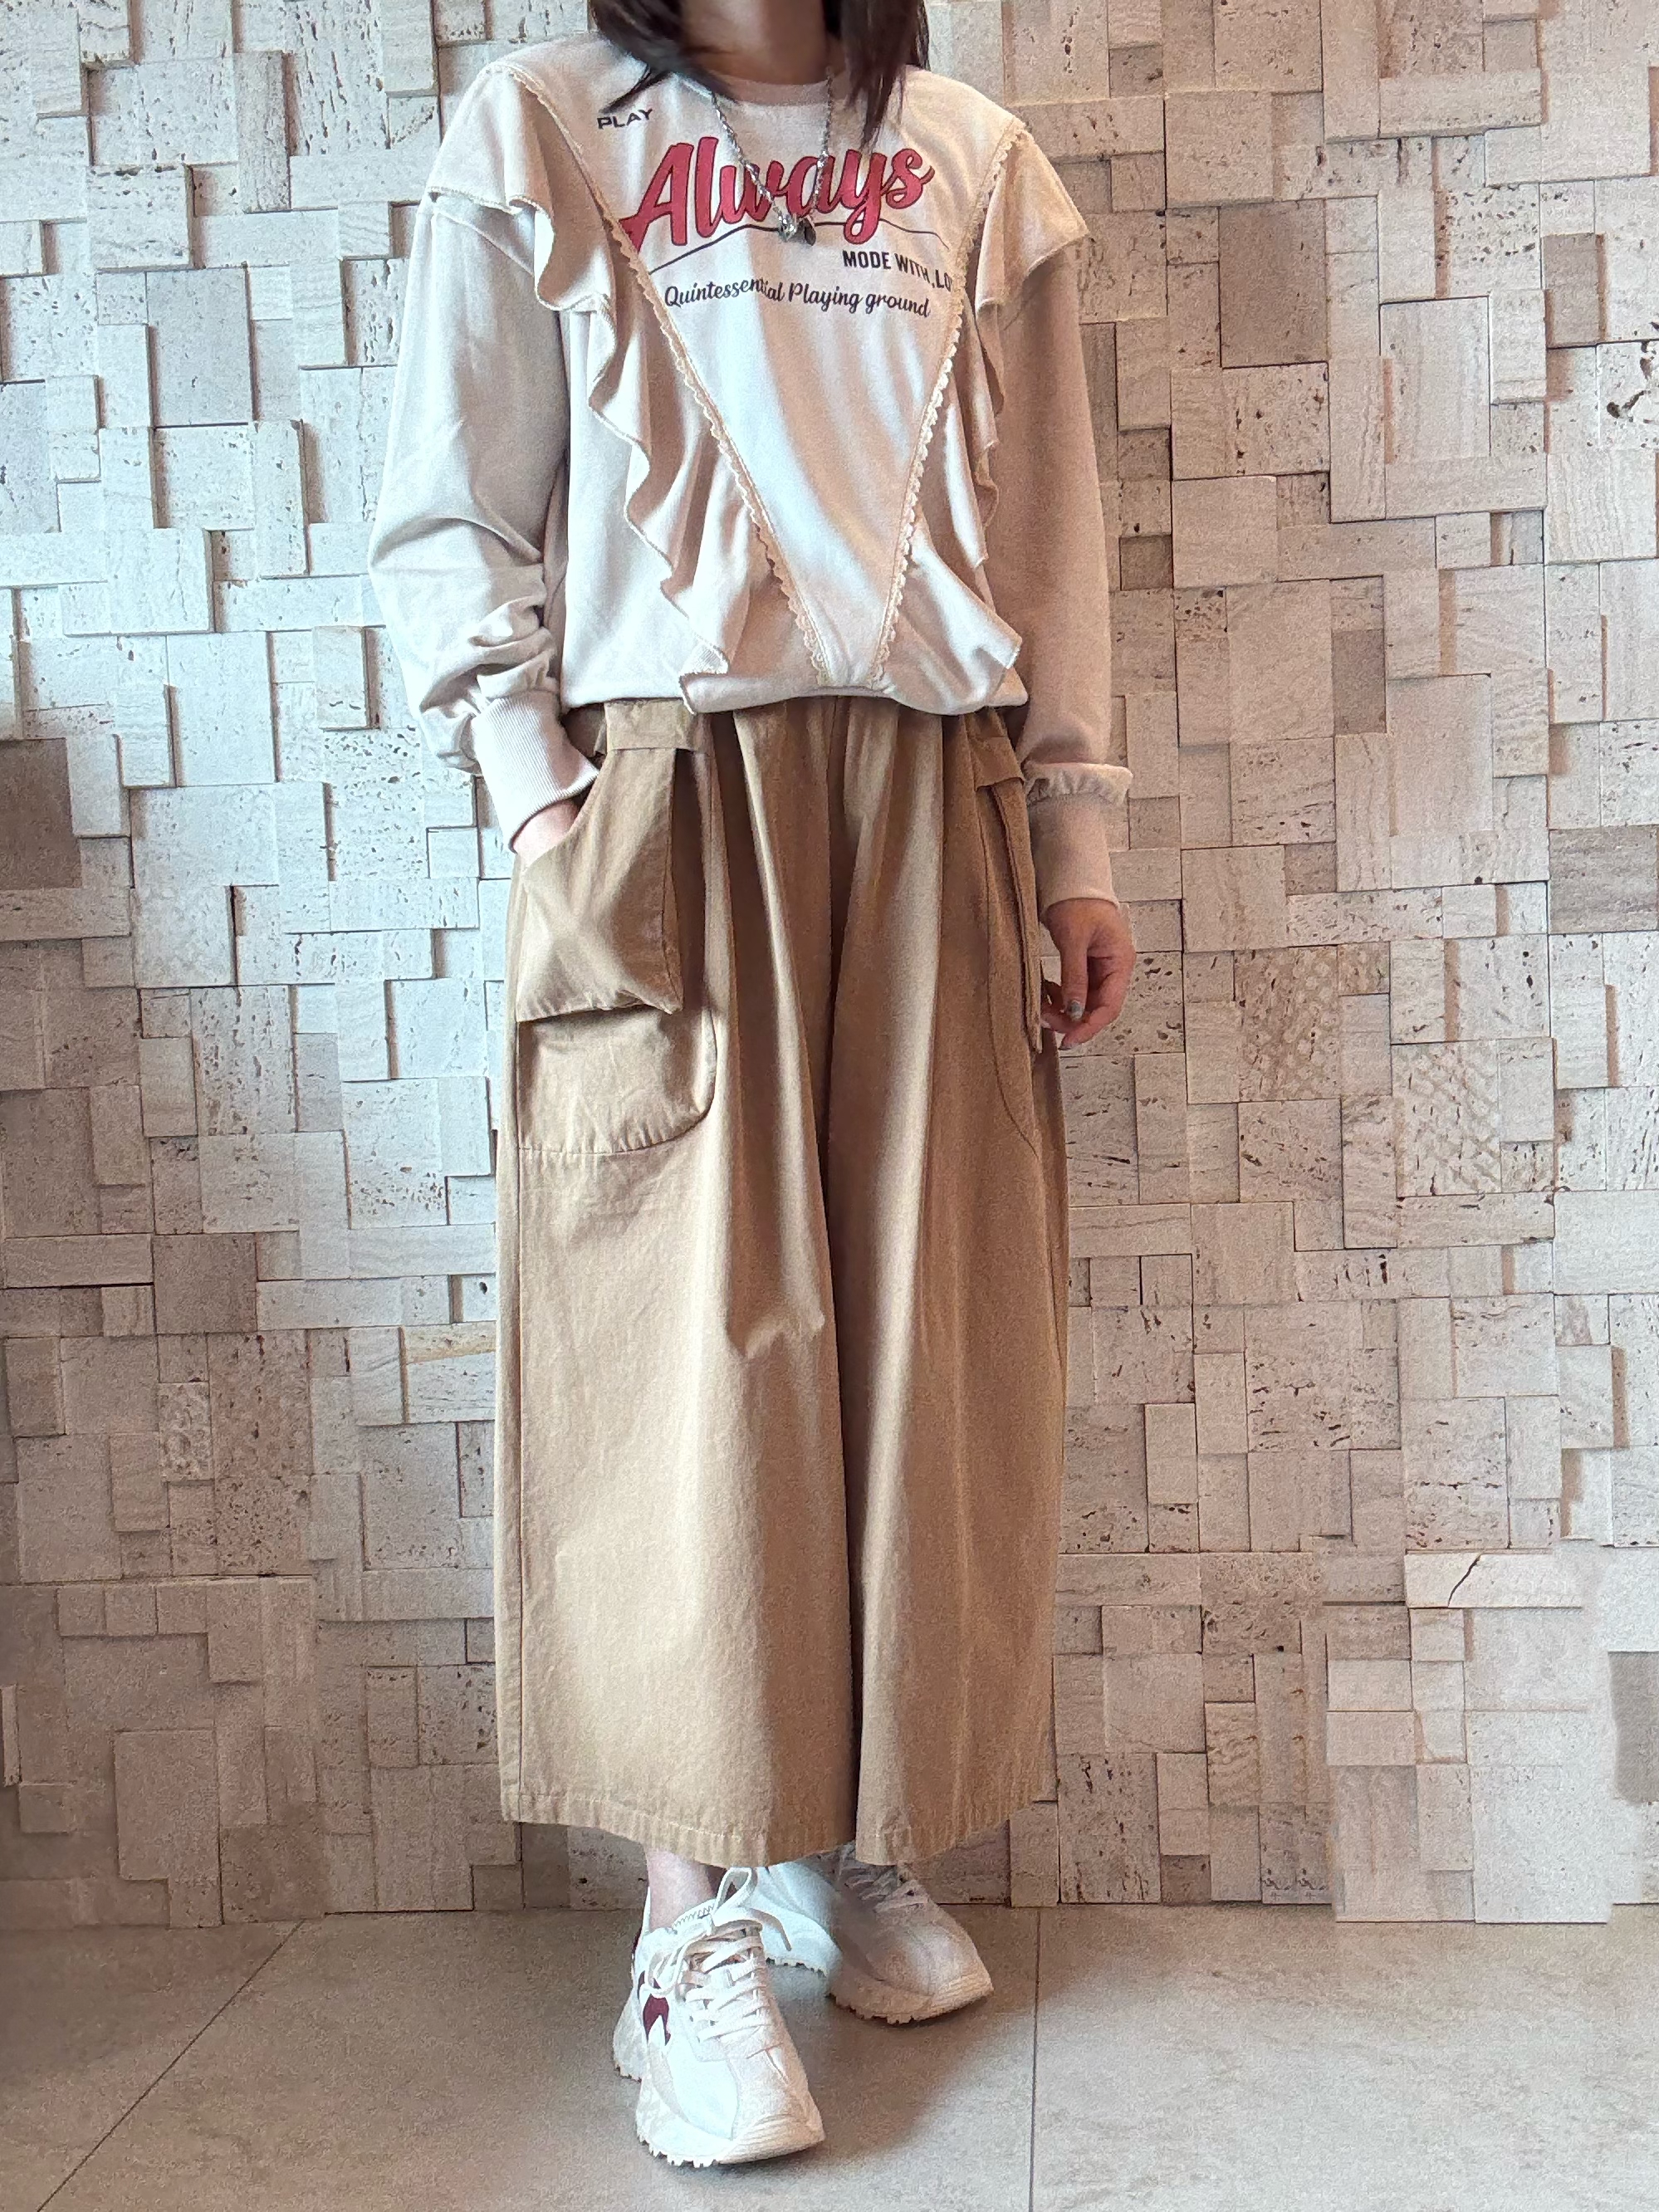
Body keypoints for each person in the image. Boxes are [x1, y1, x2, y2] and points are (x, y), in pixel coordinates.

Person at [365, 0, 1134, 2169]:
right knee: (687, 1357)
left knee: (919, 1346)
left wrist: (1076, 834)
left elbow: (1052, 539)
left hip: (938, 796)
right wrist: (541, 802)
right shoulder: (548, 126)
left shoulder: (975, 157)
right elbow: (451, 502)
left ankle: (845, 1833)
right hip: (668, 785)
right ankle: (680, 1922)